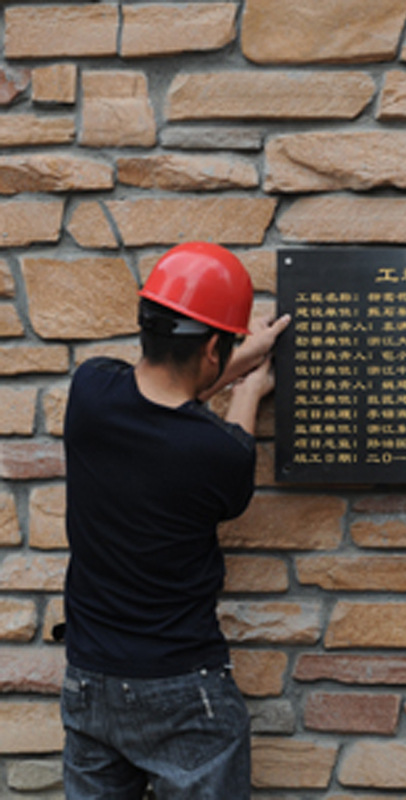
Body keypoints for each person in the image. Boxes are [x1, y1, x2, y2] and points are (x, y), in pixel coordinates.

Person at [60, 241, 291, 799]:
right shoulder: (218, 454)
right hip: (183, 689)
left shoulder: (90, 390)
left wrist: (240, 355)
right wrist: (250, 386)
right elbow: (227, 440)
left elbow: (170, 396)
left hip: (91, 679)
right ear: (213, 347)